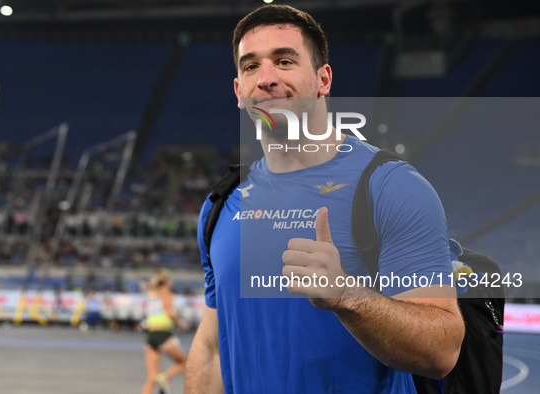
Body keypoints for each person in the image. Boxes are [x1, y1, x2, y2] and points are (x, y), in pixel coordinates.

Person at [185, 4, 465, 394]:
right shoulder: (221, 204)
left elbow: (443, 350)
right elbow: (213, 347)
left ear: (323, 79)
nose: (265, 79)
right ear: (238, 92)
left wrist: (346, 296)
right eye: (250, 67)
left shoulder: (390, 188)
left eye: (284, 61)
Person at [142, 270, 186, 394]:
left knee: (151, 377)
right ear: (166, 282)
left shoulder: (152, 295)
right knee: (182, 362)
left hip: (151, 334)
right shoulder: (167, 294)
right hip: (163, 333)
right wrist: (180, 323)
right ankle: (164, 377)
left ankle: (158, 379)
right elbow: (170, 312)